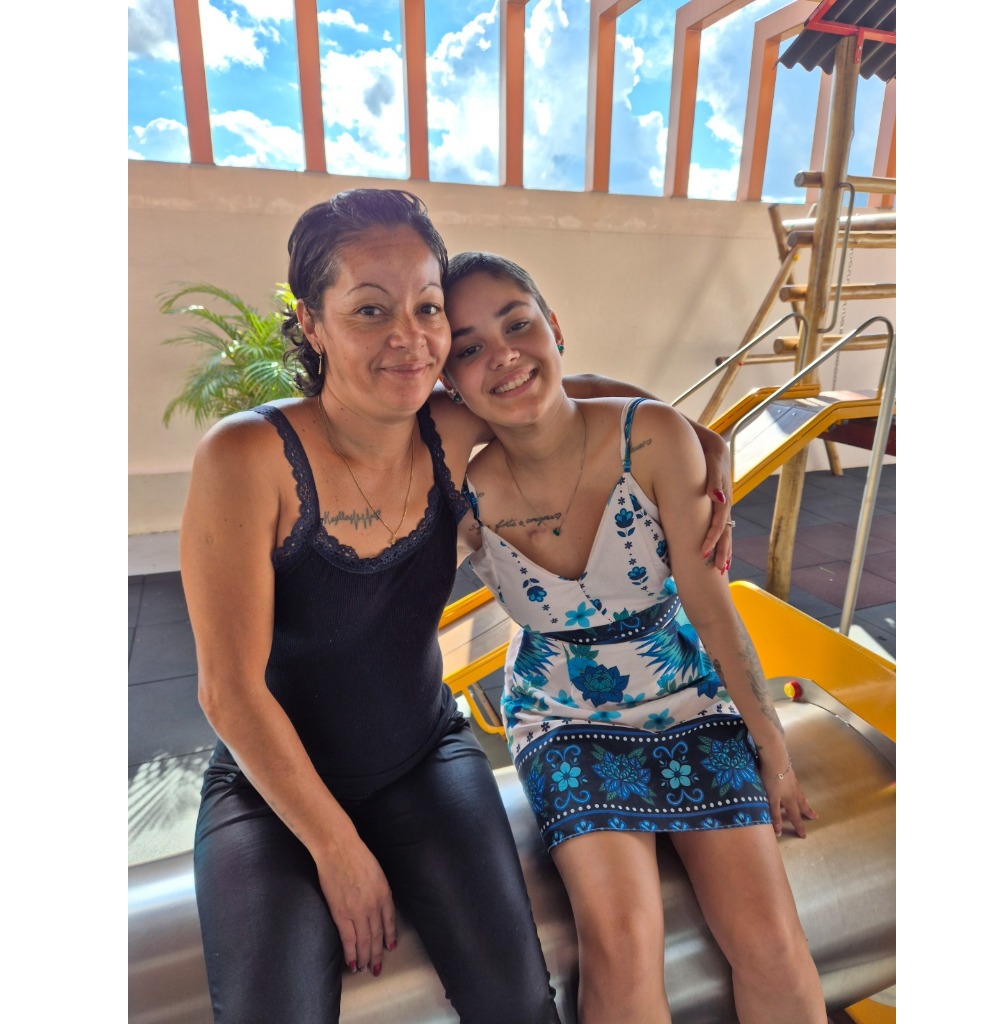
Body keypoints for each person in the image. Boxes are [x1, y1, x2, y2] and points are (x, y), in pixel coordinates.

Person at [180, 188, 736, 1024]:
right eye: (371, 310)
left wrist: (701, 437)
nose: (409, 337)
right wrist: (337, 849)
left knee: (517, 1003)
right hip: (271, 792)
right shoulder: (248, 457)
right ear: (312, 324)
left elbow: (563, 391)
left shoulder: (445, 430)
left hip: (422, 761)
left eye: (428, 307)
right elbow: (228, 691)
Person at [440, 251, 828, 1024]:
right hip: (562, 717)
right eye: (469, 347)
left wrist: (772, 746)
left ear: (554, 327)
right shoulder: (464, 489)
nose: (503, 355)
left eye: (517, 325)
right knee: (621, 943)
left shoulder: (650, 439)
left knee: (771, 942)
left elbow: (711, 608)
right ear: (450, 381)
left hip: (688, 696)